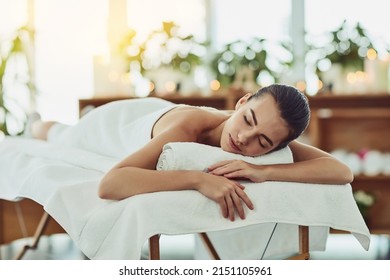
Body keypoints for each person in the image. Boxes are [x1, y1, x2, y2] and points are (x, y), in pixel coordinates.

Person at [30, 84, 353, 222]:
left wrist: (264, 171)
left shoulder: (269, 131)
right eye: (247, 119)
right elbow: (111, 184)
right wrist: (198, 180)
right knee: (60, 133)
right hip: (114, 123)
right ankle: (37, 124)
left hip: (152, 115)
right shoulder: (189, 129)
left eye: (263, 143)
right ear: (241, 102)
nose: (244, 138)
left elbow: (340, 171)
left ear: (276, 146)